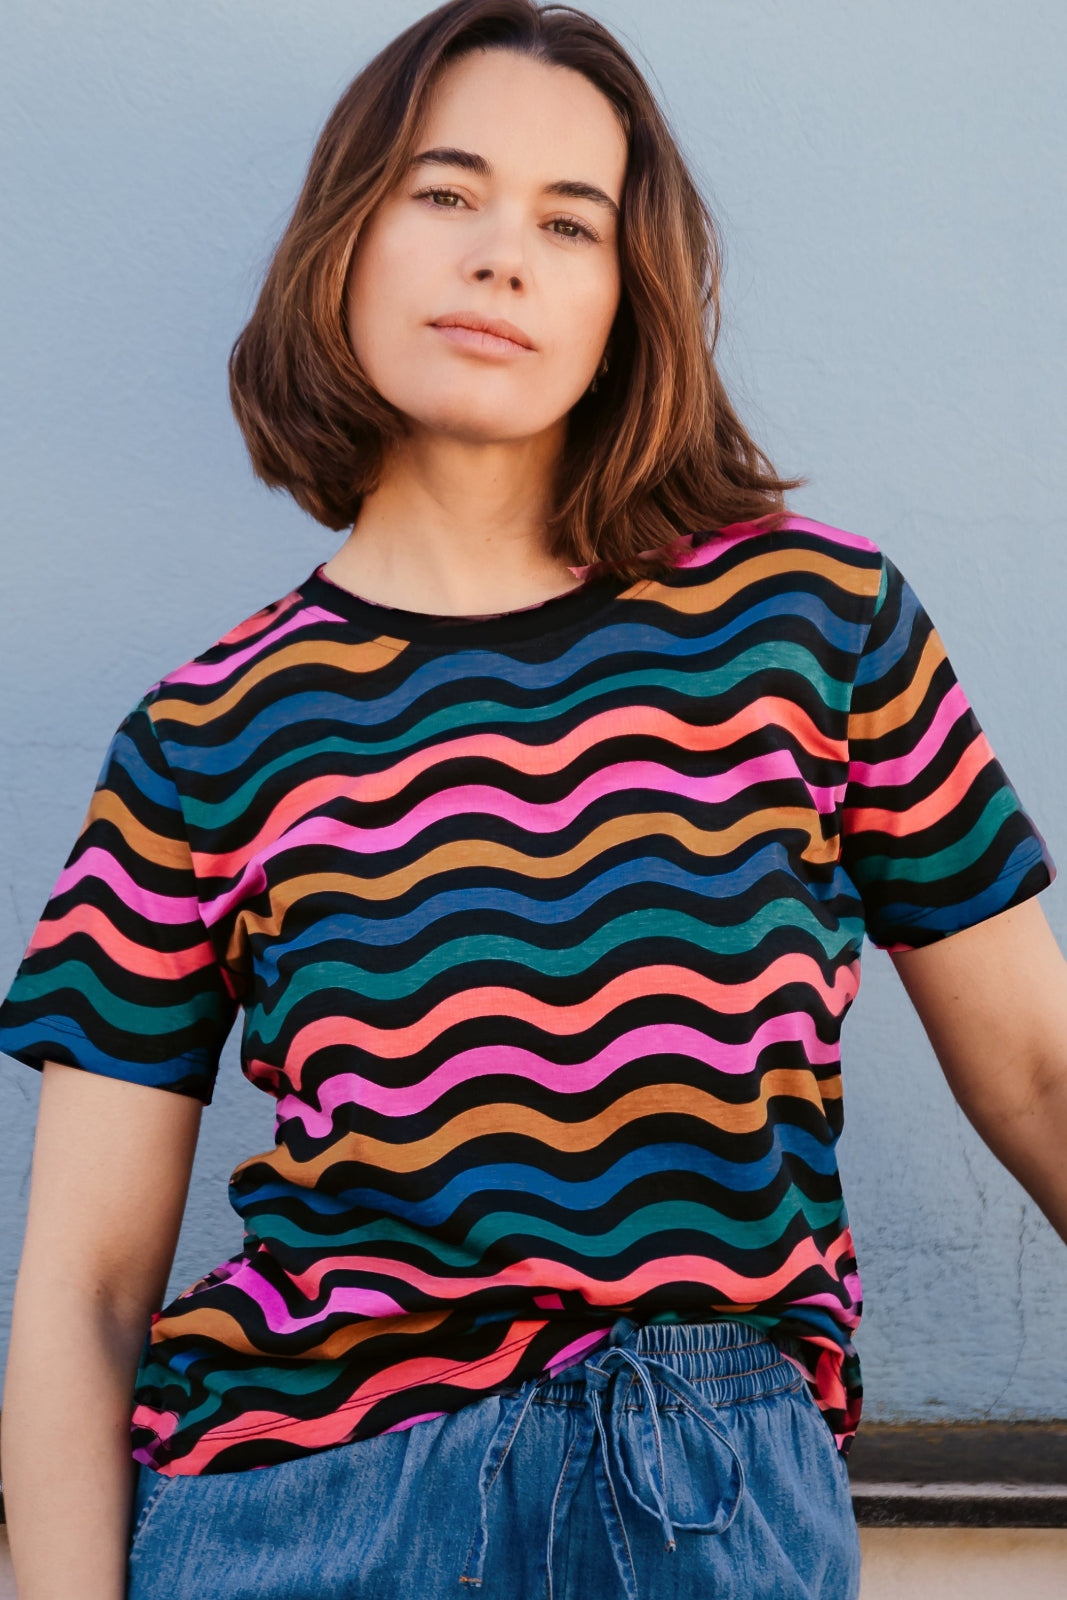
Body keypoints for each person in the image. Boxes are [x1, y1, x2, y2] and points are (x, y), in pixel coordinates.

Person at [1, 1, 1065, 1596]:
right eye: (446, 192)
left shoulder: (816, 624)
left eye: (574, 223)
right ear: (343, 240)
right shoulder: (205, 733)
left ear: (626, 301)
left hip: (700, 1498)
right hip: (291, 1515)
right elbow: (84, 1288)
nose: (504, 254)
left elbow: (1042, 1075)